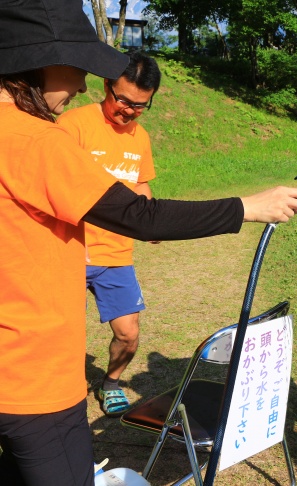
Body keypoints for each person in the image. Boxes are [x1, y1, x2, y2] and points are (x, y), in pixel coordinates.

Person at [0, 0, 297, 484]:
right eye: (79, 68)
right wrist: (247, 207)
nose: (83, 84)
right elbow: (140, 215)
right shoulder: (37, 140)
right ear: (37, 58)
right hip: (31, 378)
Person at [57, 51, 162, 417]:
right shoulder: (72, 125)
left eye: (139, 106)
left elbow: (141, 184)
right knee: (59, 334)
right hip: (67, 249)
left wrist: (151, 222)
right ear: (106, 85)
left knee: (129, 334)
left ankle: (112, 382)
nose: (128, 111)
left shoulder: (141, 137)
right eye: (122, 100)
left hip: (115, 254)